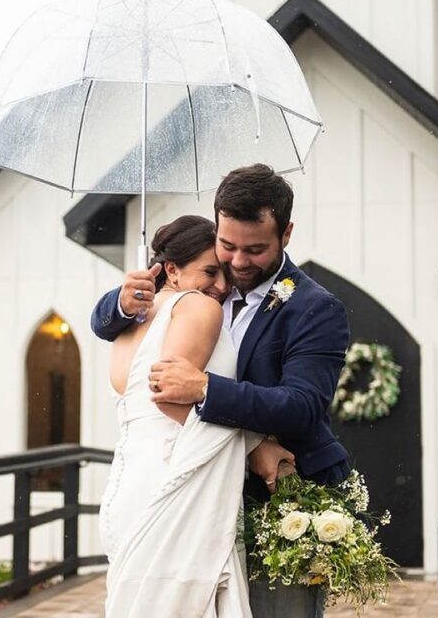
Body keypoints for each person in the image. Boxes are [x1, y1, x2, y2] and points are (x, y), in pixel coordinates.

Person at [92, 164, 351, 618]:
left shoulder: (315, 308)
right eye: (227, 246)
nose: (236, 262)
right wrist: (117, 301)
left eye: (255, 250)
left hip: (277, 499)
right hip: (195, 491)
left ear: (286, 234)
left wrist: (205, 388)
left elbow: (302, 407)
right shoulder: (201, 282)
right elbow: (107, 324)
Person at [98, 214, 294, 618]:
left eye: (224, 273)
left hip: (128, 487)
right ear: (171, 269)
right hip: (177, 484)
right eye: (210, 271)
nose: (222, 286)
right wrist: (254, 442)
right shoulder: (199, 308)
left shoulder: (129, 321)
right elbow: (171, 400)